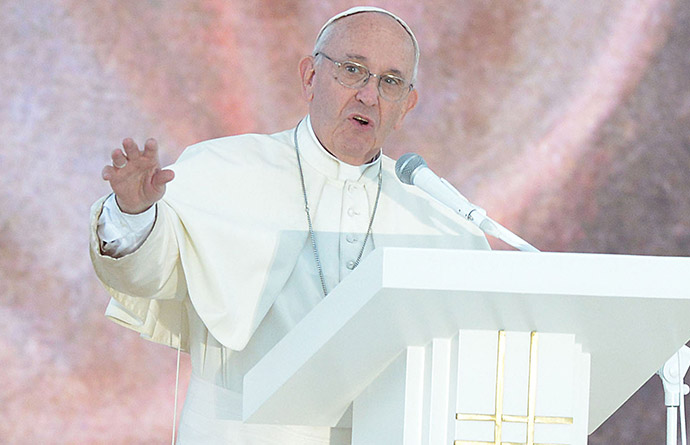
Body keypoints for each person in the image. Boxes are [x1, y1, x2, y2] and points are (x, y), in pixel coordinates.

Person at [90, 6, 489, 445]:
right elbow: (151, 274)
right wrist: (134, 212)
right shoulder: (223, 168)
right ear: (310, 77)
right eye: (353, 70)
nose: (369, 95)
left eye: (390, 82)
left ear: (406, 106)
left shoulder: (436, 217)